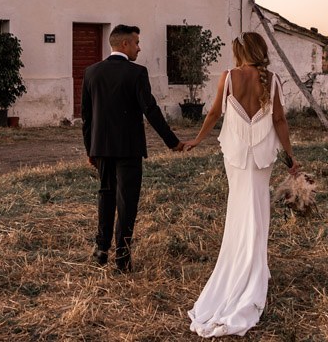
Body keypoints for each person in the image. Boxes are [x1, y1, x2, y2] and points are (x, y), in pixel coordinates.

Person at [184, 31, 300, 337]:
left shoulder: (228, 77)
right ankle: (253, 273)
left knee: (240, 208)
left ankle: (244, 268)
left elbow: (213, 112)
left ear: (240, 52)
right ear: (260, 51)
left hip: (236, 155)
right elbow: (279, 121)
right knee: (257, 210)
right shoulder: (272, 79)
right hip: (262, 155)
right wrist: (290, 156)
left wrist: (197, 139)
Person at [81, 24, 183, 272]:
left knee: (106, 194)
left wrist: (90, 151)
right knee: (127, 202)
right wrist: (172, 141)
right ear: (124, 44)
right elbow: (151, 110)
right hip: (129, 148)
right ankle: (122, 257)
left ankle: (102, 247)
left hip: (101, 147)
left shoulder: (91, 72)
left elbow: (87, 117)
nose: (139, 47)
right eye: (137, 42)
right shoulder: (137, 73)